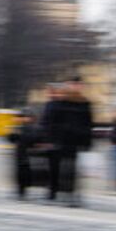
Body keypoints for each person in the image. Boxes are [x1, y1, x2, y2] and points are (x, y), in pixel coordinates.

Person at [40, 77, 93, 206]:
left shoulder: (85, 103)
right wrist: (50, 139)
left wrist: (88, 140)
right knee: (61, 168)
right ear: (68, 86)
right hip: (62, 140)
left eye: (78, 85)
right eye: (73, 84)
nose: (76, 87)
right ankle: (60, 192)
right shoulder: (61, 102)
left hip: (77, 140)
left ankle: (73, 194)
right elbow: (52, 122)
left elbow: (88, 123)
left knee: (74, 169)